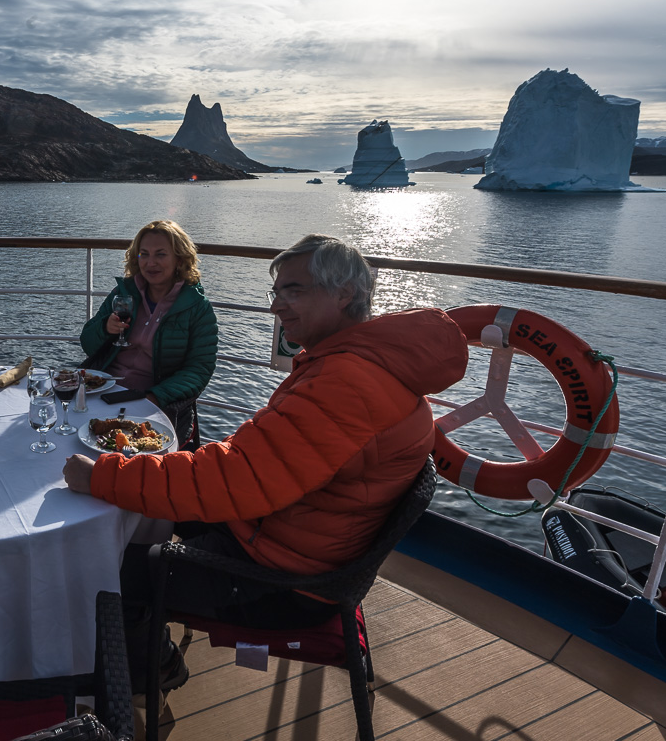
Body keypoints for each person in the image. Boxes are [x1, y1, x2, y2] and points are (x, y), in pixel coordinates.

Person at [63, 234, 469, 692]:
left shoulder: (347, 383)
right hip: (282, 530)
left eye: (294, 290)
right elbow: (254, 466)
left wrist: (100, 475)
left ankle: (151, 671)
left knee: (103, 573)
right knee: (149, 509)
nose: (277, 307)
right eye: (275, 292)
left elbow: (235, 480)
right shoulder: (358, 364)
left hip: (281, 579)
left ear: (345, 294)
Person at [79, 220, 217, 446]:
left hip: (153, 400)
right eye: (144, 254)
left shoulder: (197, 307)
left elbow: (200, 368)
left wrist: (155, 397)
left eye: (161, 255)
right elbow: (87, 343)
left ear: (179, 259)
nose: (150, 262)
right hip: (103, 392)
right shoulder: (123, 293)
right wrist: (105, 328)